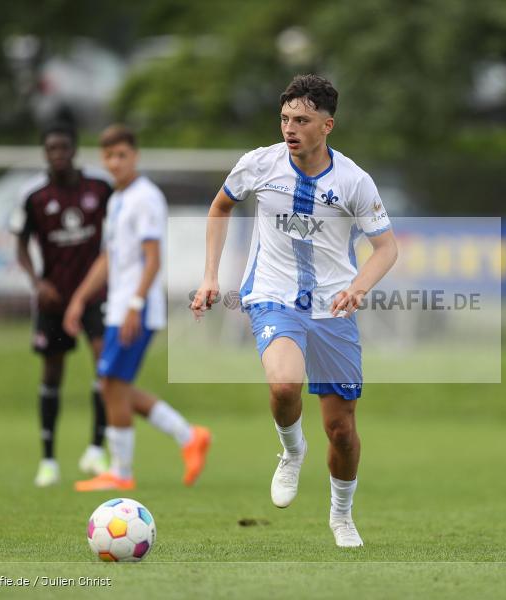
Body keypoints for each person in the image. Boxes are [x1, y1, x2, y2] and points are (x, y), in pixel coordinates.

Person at [191, 74, 398, 547]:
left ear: (328, 125)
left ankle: (342, 516)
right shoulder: (258, 165)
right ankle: (292, 450)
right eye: (285, 118)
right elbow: (220, 208)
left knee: (342, 431)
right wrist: (210, 275)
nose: (290, 128)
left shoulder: (354, 181)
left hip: (333, 310)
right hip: (273, 296)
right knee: (284, 384)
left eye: (301, 120)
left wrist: (358, 288)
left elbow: (386, 248)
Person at [64, 124, 211, 492]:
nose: (115, 162)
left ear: (135, 156)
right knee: (114, 384)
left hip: (136, 308)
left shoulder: (146, 198)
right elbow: (108, 259)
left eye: (122, 155)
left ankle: (122, 472)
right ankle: (189, 435)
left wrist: (135, 304)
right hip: (118, 307)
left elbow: (153, 259)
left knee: (111, 384)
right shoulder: (116, 200)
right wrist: (80, 298)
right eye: (109, 156)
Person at [12, 122, 113, 487]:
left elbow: (117, 232)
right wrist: (37, 283)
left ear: (74, 150)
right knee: (52, 373)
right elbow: (20, 244)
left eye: (63, 147)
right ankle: (49, 460)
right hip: (54, 297)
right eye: (51, 148)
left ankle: (96, 449)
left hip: (95, 294)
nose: (57, 154)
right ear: (45, 153)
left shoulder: (99, 189)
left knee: (105, 364)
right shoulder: (34, 195)